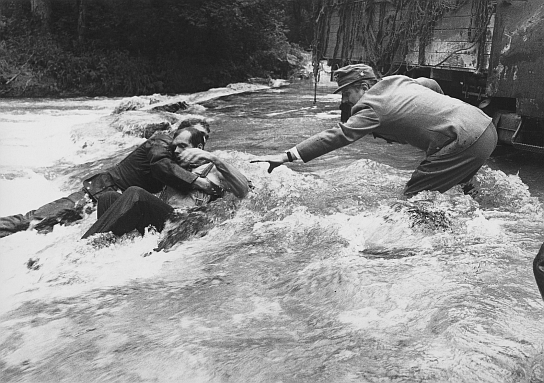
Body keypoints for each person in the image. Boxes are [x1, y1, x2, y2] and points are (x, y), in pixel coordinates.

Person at [251, 64, 497, 197]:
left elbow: (338, 135)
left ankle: (426, 247)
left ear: (365, 86)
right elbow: (429, 84)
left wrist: (287, 156)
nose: (347, 101)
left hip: (465, 141)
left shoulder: (372, 107)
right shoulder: (398, 80)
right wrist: (441, 117)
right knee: (451, 184)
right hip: (485, 126)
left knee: (415, 197)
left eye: (347, 93)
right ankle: (476, 204)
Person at [0, 120, 217, 238]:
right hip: (96, 195)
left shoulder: (180, 156)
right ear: (180, 131)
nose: (201, 141)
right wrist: (197, 181)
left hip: (112, 201)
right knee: (34, 220)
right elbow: (161, 166)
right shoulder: (161, 141)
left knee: (45, 230)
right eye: (195, 133)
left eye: (204, 139)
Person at [81, 127, 249, 239]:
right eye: (175, 147)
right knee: (108, 198)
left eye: (183, 146)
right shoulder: (174, 169)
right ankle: (109, 245)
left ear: (198, 147)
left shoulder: (212, 169)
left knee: (135, 194)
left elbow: (243, 190)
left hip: (183, 224)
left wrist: (214, 159)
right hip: (163, 222)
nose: (176, 151)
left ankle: (86, 247)